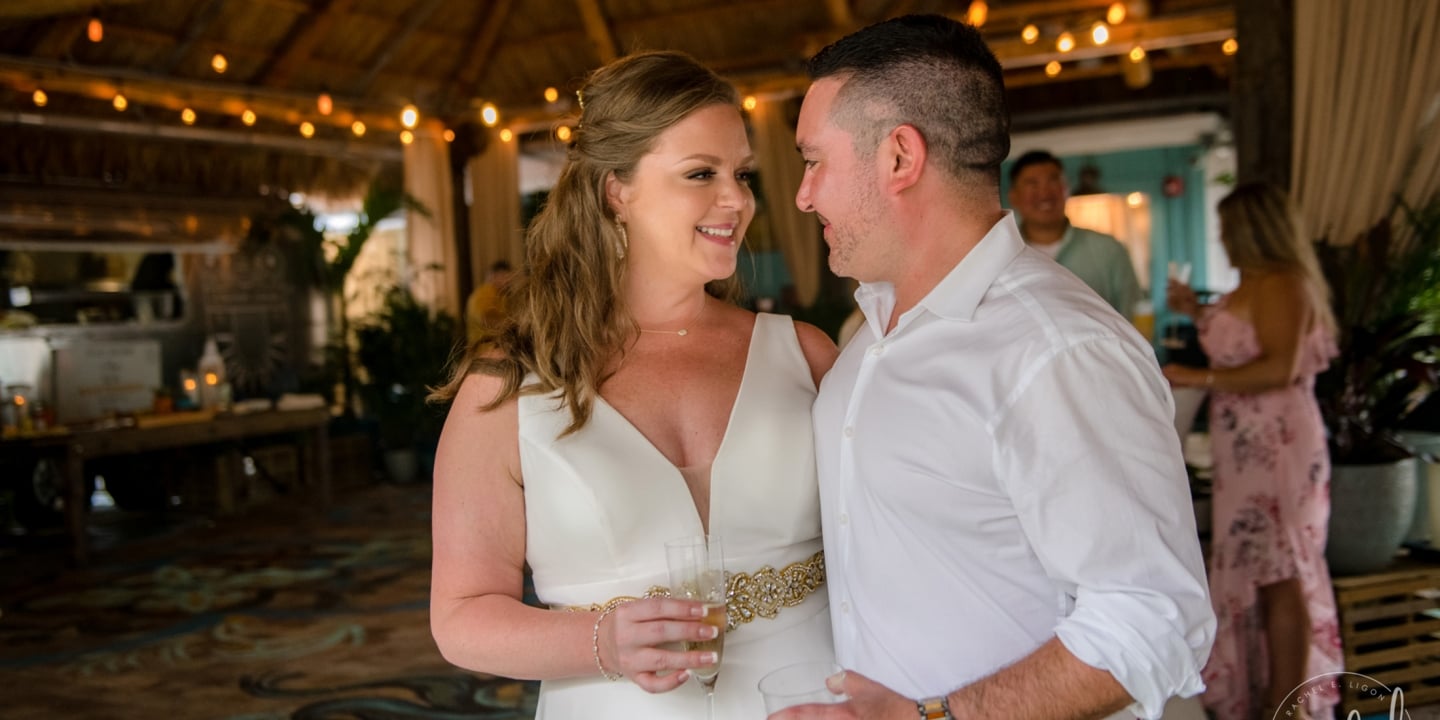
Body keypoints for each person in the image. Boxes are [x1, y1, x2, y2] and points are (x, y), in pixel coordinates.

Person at [777, 15, 1214, 720]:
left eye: (813, 161)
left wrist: (938, 717)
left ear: (898, 157)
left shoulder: (1057, 350)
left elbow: (1154, 618)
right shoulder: (867, 337)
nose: (803, 195)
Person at [428, 50, 839, 720]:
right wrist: (601, 642)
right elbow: (461, 618)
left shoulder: (806, 356)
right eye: (700, 173)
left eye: (741, 173)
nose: (736, 199)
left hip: (809, 703)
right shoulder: (508, 388)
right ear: (616, 189)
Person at [1160, 182, 1342, 720]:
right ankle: (1260, 693)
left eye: (1227, 229)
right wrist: (1197, 312)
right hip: (1243, 446)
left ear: (1250, 230)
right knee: (1257, 568)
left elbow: (1278, 367)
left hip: (1278, 444)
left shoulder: (1286, 283)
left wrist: (1197, 374)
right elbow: (1242, 345)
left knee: (1281, 568)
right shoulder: (1254, 285)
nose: (1223, 238)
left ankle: (1284, 705)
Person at [1008, 150, 1143, 320]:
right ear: (1014, 197)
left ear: (1066, 190)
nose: (1044, 193)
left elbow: (1135, 315)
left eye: (1053, 181)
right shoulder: (1002, 256)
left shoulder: (1109, 250)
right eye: (1032, 184)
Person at [465, 259, 514, 345]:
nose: (509, 282)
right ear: (494, 276)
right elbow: (487, 319)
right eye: (506, 277)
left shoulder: (502, 297)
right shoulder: (485, 292)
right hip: (484, 351)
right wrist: (516, 325)